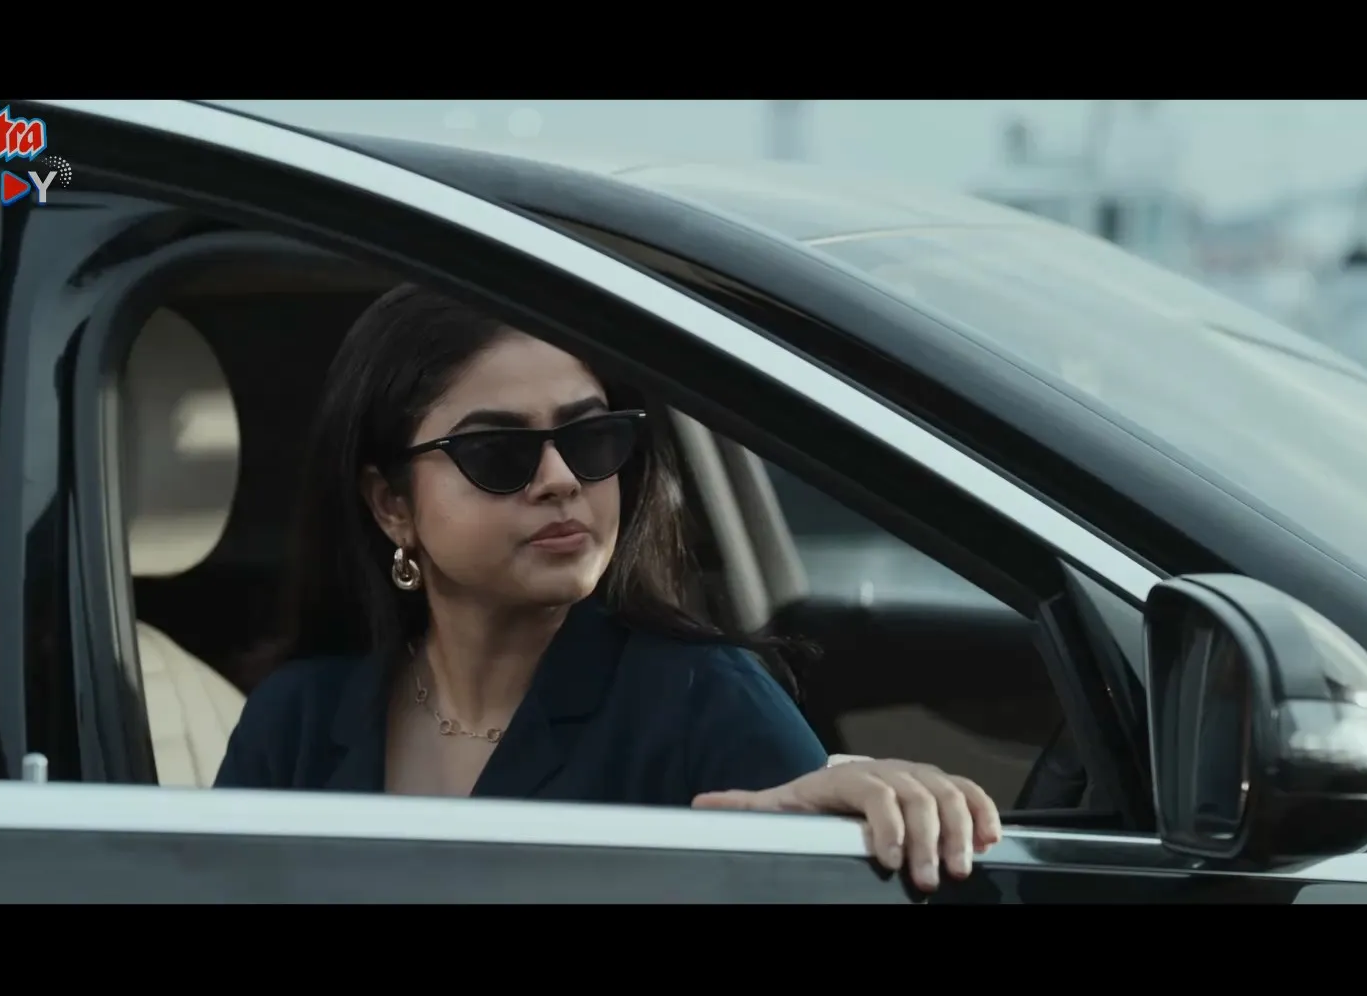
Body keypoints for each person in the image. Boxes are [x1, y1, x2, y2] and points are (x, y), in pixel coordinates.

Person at [215, 283, 1002, 891]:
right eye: (499, 452)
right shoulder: (297, 721)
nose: (561, 480)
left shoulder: (704, 703)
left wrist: (840, 823)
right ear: (392, 504)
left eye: (591, 438)